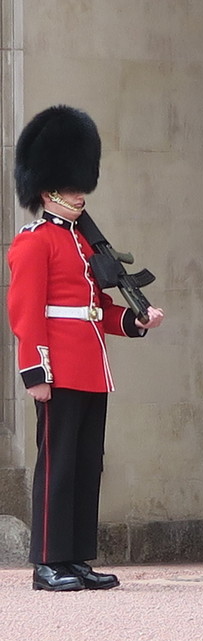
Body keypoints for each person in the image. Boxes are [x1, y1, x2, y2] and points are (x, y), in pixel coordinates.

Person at [8, 105, 165, 592]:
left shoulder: (81, 244)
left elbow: (95, 308)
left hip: (91, 368)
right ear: (49, 188)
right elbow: (26, 313)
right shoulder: (35, 243)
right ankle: (47, 562)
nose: (81, 194)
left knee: (86, 463)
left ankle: (75, 556)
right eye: (74, 186)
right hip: (57, 369)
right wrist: (35, 372)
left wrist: (135, 320)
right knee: (56, 464)